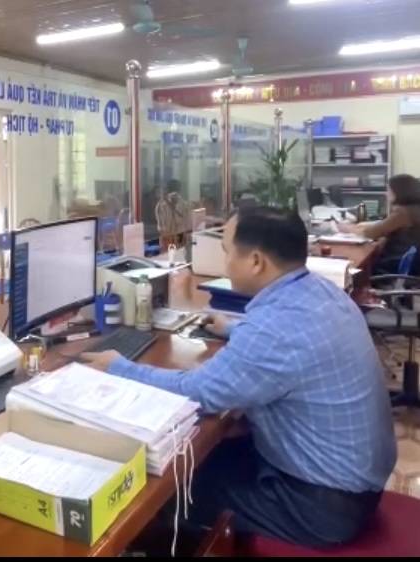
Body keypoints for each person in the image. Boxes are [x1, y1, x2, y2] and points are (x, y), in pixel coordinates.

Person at [81, 206, 396, 548]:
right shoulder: (318, 291)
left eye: (227, 251)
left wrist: (118, 367)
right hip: (348, 480)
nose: (225, 262)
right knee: (208, 451)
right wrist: (234, 329)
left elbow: (198, 393)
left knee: (165, 490)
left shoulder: (274, 329)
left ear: (256, 261)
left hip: (319, 505)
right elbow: (289, 345)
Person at [339, 174, 420, 274]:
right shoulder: (413, 209)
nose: (386, 194)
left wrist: (349, 229)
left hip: (391, 265)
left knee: (354, 265)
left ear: (399, 192)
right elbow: (385, 227)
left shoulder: (403, 213)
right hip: (403, 263)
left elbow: (373, 232)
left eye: (389, 190)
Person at [155, 180, 191, 250]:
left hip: (167, 241)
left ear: (167, 189)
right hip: (180, 241)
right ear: (179, 189)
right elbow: (187, 226)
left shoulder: (160, 205)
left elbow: (161, 228)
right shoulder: (184, 205)